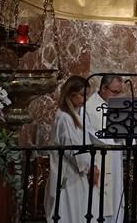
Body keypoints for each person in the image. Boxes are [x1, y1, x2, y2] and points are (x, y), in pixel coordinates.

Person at [44, 75, 100, 223]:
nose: (85, 99)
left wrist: (92, 165)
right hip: (70, 176)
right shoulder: (64, 117)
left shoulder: (75, 116)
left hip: (78, 174)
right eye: (82, 95)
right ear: (71, 94)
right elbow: (73, 148)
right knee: (71, 213)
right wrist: (89, 168)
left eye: (86, 95)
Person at [85, 75, 125, 223]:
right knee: (100, 201)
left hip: (115, 160)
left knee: (115, 198)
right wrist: (111, 136)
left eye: (119, 92)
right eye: (114, 92)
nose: (117, 96)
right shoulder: (89, 107)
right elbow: (88, 134)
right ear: (103, 88)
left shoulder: (119, 106)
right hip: (99, 160)